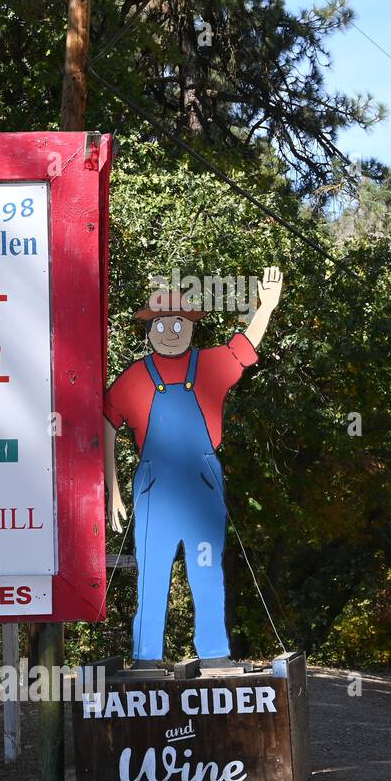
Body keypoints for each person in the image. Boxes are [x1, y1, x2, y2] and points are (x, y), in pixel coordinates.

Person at [104, 268, 283, 669]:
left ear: (191, 327)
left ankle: (215, 655)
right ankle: (146, 658)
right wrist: (111, 487)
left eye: (180, 323)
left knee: (206, 567)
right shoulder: (133, 378)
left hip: (202, 485)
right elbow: (106, 424)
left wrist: (266, 306)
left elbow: (243, 347)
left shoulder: (208, 366)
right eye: (162, 324)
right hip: (155, 489)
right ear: (149, 330)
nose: (171, 331)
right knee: (153, 571)